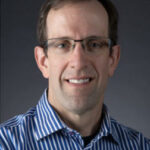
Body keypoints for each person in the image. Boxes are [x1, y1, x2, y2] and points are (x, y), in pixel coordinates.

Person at [0, 0, 149, 149]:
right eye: (62, 45)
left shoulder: (140, 146)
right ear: (43, 61)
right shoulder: (6, 143)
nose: (78, 62)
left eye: (94, 44)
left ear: (112, 59)